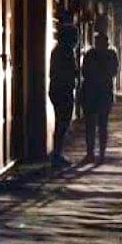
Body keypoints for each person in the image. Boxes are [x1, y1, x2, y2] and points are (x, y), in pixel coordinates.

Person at [81, 32, 119, 163]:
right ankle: (97, 154)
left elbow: (85, 72)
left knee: (93, 126)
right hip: (100, 93)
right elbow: (113, 72)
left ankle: (92, 153)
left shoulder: (92, 55)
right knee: (100, 125)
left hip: (93, 93)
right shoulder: (109, 55)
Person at [49, 18, 79, 167]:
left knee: (61, 122)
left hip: (58, 89)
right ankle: (57, 154)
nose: (77, 40)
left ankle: (57, 153)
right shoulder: (65, 51)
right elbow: (69, 71)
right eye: (75, 37)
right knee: (63, 122)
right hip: (63, 90)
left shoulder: (59, 50)